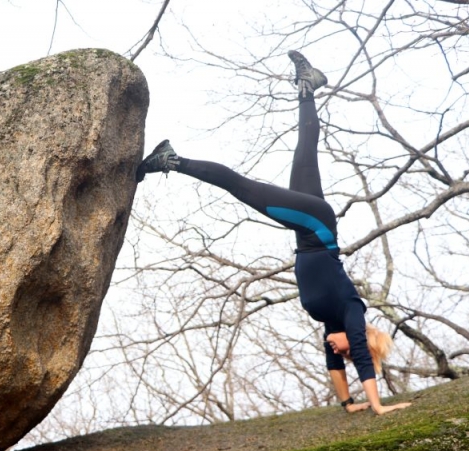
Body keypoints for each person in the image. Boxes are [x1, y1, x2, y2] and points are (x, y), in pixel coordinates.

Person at [137, 51, 411, 416]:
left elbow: (334, 362)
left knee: (304, 151)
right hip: (316, 226)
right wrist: (377, 406)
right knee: (243, 187)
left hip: (308, 230)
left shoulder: (333, 324)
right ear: (362, 339)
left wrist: (348, 404)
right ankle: (172, 160)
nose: (336, 346)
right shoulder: (351, 313)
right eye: (345, 347)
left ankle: (309, 85)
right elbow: (359, 354)